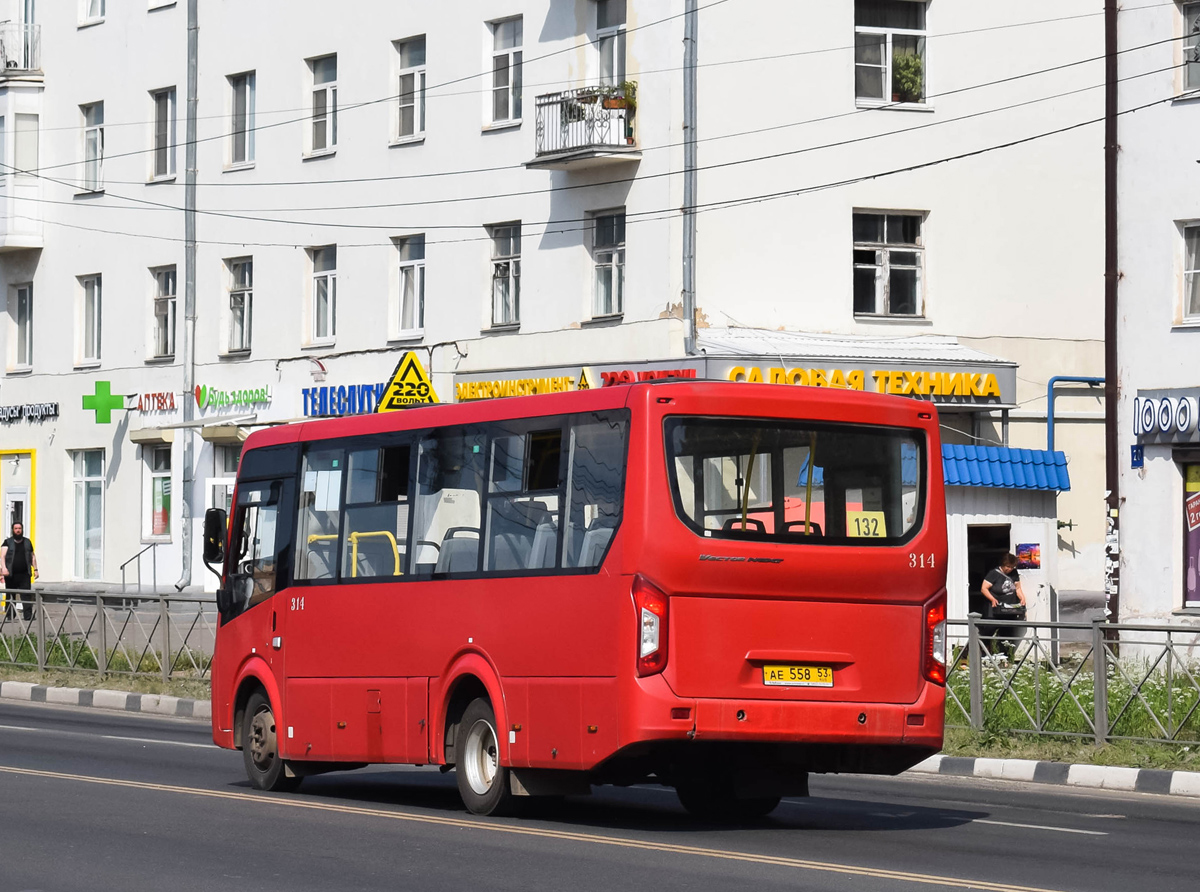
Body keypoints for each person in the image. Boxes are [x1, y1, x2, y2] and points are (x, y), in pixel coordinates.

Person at [981, 552, 1027, 659]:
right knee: (989, 630)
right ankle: (985, 653)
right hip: (995, 608)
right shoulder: (994, 573)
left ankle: (1004, 655)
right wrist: (992, 599)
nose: (1009, 569)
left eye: (1012, 567)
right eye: (1007, 567)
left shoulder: (1014, 573)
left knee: (1007, 632)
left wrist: (1022, 598)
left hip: (1009, 608)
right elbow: (984, 588)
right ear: (1002, 565)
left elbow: (1018, 588)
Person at [1, 522, 38, 622]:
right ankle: (10, 616)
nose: (18, 530)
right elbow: (2, 556)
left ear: (22, 530)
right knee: (10, 595)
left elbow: (32, 556)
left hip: (25, 574)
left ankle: (28, 616)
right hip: (11, 574)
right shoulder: (7, 542)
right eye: (16, 528)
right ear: (12, 530)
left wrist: (35, 569)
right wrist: (4, 568)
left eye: (19, 528)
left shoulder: (27, 542)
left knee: (26, 595)